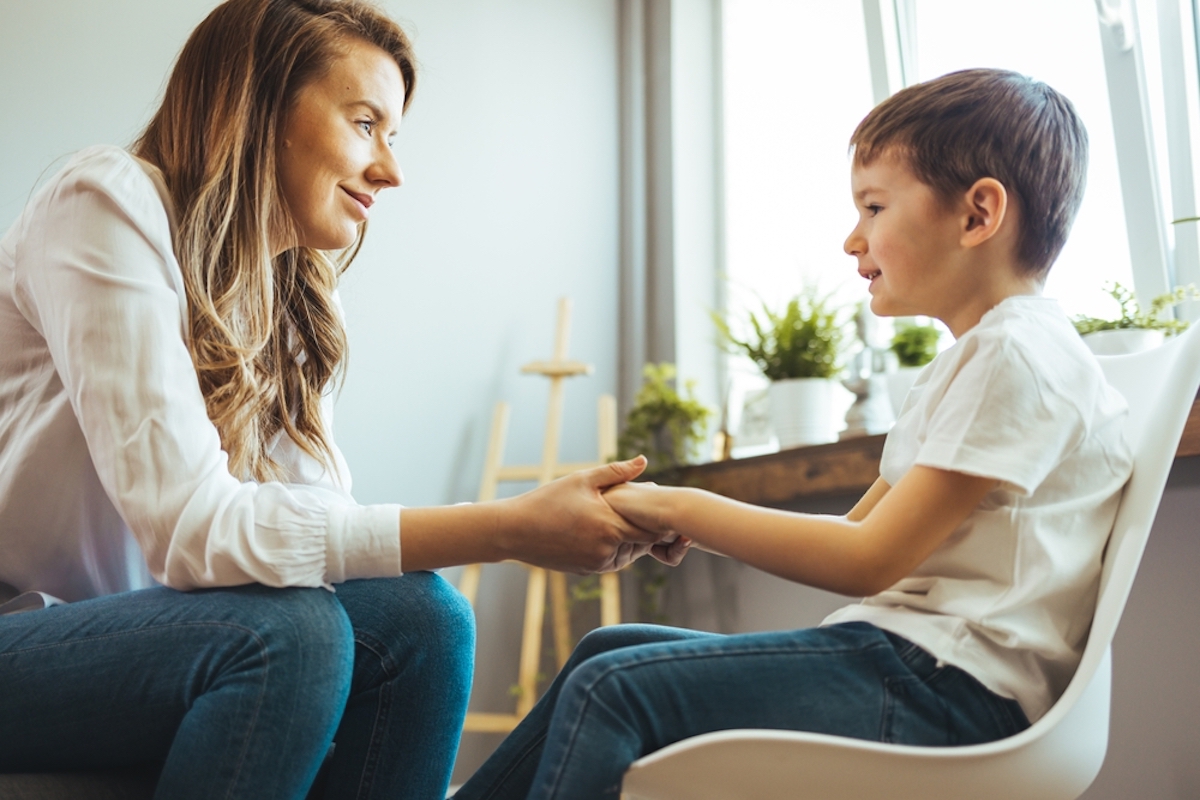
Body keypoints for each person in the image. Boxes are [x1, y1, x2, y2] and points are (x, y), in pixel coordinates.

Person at [0, 1, 686, 798]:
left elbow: (318, 543)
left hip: (158, 634)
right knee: (290, 635)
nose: (390, 170)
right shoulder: (106, 202)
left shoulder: (292, 299)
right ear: (260, 107)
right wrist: (505, 528)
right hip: (28, 633)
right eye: (366, 124)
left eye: (393, 136)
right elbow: (192, 530)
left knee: (421, 617)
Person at [453, 68, 1134, 800]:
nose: (851, 238)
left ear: (978, 216)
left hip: (953, 687)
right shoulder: (976, 361)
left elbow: (866, 559)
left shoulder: (1017, 355)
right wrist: (671, 510)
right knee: (610, 649)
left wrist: (678, 506)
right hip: (913, 664)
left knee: (617, 685)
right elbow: (851, 532)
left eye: (873, 206)